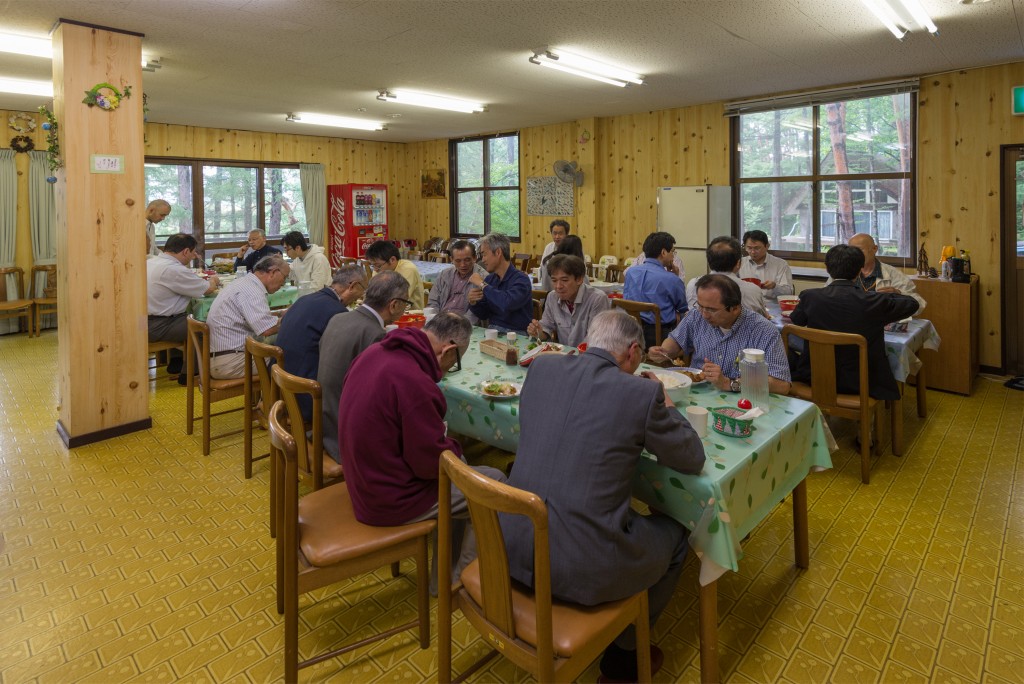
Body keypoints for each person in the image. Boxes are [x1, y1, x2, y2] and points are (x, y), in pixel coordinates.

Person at [501, 310, 705, 682]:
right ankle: (624, 660)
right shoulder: (641, 392)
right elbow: (691, 459)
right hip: (580, 567)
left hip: (510, 544)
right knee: (679, 531)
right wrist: (668, 405)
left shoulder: (542, 368)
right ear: (631, 352)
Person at [338, 312, 507, 590]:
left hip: (361, 477)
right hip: (387, 496)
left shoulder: (375, 351)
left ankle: (445, 576)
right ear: (448, 351)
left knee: (463, 473)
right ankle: (461, 584)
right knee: (492, 485)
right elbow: (431, 465)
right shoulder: (413, 380)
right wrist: (455, 450)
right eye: (456, 362)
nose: (450, 369)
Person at [790, 244, 919, 400]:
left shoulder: (810, 296)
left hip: (815, 376)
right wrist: (895, 293)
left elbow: (796, 320)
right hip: (865, 382)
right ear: (859, 270)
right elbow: (912, 303)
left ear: (827, 269)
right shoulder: (874, 300)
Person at [317, 271, 411, 461]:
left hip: (325, 422)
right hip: (346, 435)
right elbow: (378, 396)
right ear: (394, 305)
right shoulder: (375, 334)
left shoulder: (338, 318)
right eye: (406, 304)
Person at [649, 274, 792, 395]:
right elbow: (674, 342)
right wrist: (664, 351)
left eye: (711, 310)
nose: (704, 315)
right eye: (700, 306)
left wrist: (729, 383)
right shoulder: (696, 315)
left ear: (735, 308)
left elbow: (781, 385)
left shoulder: (764, 330)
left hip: (744, 402)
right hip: (697, 394)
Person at [275, 265, 366, 421]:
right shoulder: (337, 313)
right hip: (306, 395)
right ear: (353, 286)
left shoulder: (305, 299)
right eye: (362, 291)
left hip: (280, 385)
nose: (360, 297)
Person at [206, 254, 290, 379]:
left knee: (279, 347)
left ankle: (264, 397)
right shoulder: (252, 291)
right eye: (285, 277)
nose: (284, 283)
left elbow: (251, 317)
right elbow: (267, 329)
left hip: (221, 356)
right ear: (273, 272)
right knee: (291, 360)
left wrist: (279, 314)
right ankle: (272, 398)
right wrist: (293, 318)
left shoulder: (244, 282)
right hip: (231, 362)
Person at [147, 233, 219, 375]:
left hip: (142, 321)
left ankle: (175, 362)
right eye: (193, 253)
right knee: (203, 327)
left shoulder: (151, 261)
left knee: (181, 315)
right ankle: (190, 374)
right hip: (157, 326)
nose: (193, 256)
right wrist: (214, 280)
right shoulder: (174, 269)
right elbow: (208, 289)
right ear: (186, 251)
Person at [622, 231, 688, 349]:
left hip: (629, 332)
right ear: (663, 252)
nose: (673, 255)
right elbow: (682, 307)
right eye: (672, 251)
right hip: (659, 337)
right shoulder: (671, 279)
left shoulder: (630, 273)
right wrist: (675, 277)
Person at [527, 255, 609, 347]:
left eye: (564, 280)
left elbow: (596, 340)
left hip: (589, 357)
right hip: (564, 356)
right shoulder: (552, 297)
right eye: (554, 280)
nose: (558, 286)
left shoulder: (597, 299)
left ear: (579, 279)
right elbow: (546, 329)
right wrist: (538, 332)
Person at [840, 233, 926, 314]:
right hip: (848, 322)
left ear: (874, 249)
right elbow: (829, 297)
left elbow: (920, 305)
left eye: (859, 250)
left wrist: (898, 297)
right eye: (851, 250)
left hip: (882, 324)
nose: (855, 254)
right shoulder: (842, 271)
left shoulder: (893, 274)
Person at [686, 236, 768, 317]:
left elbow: (692, 316)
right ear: (738, 263)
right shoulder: (752, 290)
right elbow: (760, 319)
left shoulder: (694, 284)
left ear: (709, 261)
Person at [467, 233, 533, 333]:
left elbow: (507, 303)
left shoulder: (521, 279)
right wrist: (473, 303)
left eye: (484, 254)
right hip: (494, 332)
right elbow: (484, 315)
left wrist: (482, 284)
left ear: (498, 252)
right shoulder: (490, 279)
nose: (483, 260)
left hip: (517, 334)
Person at [426, 239, 488, 320]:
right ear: (451, 259)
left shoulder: (483, 278)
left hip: (464, 324)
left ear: (475, 258)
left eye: (467, 260)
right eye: (458, 261)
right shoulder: (444, 275)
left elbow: (476, 314)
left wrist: (460, 325)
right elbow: (433, 302)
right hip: (440, 321)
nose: (463, 265)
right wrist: (436, 320)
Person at [365, 239, 425, 309]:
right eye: (373, 265)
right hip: (386, 310)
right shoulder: (378, 269)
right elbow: (374, 293)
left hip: (411, 314)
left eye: (378, 265)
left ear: (392, 260)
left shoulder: (408, 269)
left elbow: (400, 298)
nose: (375, 269)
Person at [738, 229, 794, 300]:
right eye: (749, 248)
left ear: (767, 246)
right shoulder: (740, 263)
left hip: (772, 305)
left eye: (757, 248)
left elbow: (788, 292)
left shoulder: (781, 264)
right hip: (747, 304)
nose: (752, 252)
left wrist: (774, 286)